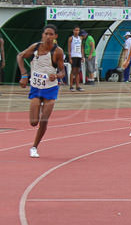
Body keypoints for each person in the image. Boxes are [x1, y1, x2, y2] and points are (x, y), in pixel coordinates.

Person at [17, 24, 65, 158]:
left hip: (50, 89)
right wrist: (24, 75)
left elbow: (62, 71)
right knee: (33, 122)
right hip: (36, 88)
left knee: (44, 120)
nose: (48, 37)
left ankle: (34, 147)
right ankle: (37, 108)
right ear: (42, 35)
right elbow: (20, 56)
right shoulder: (35, 47)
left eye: (51, 34)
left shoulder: (57, 51)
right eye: (46, 34)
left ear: (55, 36)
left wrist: (56, 75)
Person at [67, 26, 84, 91]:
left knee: (78, 71)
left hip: (79, 56)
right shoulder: (71, 38)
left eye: (78, 30)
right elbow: (69, 48)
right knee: (73, 71)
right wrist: (70, 58)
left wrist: (82, 56)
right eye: (76, 30)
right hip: (73, 56)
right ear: (73, 31)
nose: (77, 32)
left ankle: (78, 86)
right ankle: (71, 86)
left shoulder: (80, 38)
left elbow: (81, 47)